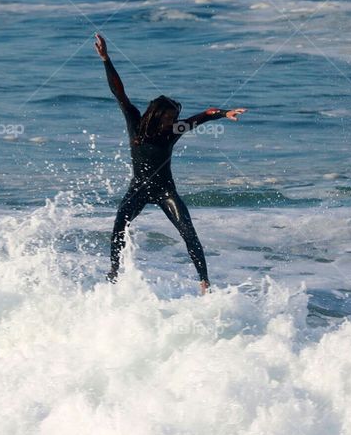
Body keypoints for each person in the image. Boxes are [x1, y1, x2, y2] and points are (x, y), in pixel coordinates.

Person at [95, 33, 246, 294]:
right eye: (171, 117)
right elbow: (119, 92)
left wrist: (224, 113)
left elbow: (204, 115)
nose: (175, 121)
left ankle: (204, 281)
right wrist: (106, 59)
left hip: (166, 191)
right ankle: (114, 270)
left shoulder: (173, 130)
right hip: (139, 188)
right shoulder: (135, 122)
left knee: (188, 231)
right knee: (119, 225)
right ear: (157, 115)